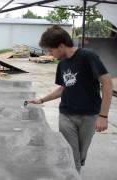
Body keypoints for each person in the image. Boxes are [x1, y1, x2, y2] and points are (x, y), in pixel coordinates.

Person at [26, 25, 112, 172]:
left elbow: (107, 83)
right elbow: (62, 88)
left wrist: (103, 115)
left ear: (60, 46)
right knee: (70, 154)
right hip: (66, 115)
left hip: (89, 116)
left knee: (80, 155)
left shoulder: (87, 56)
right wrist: (41, 100)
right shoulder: (62, 64)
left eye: (50, 50)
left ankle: (76, 170)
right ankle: (73, 173)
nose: (50, 53)